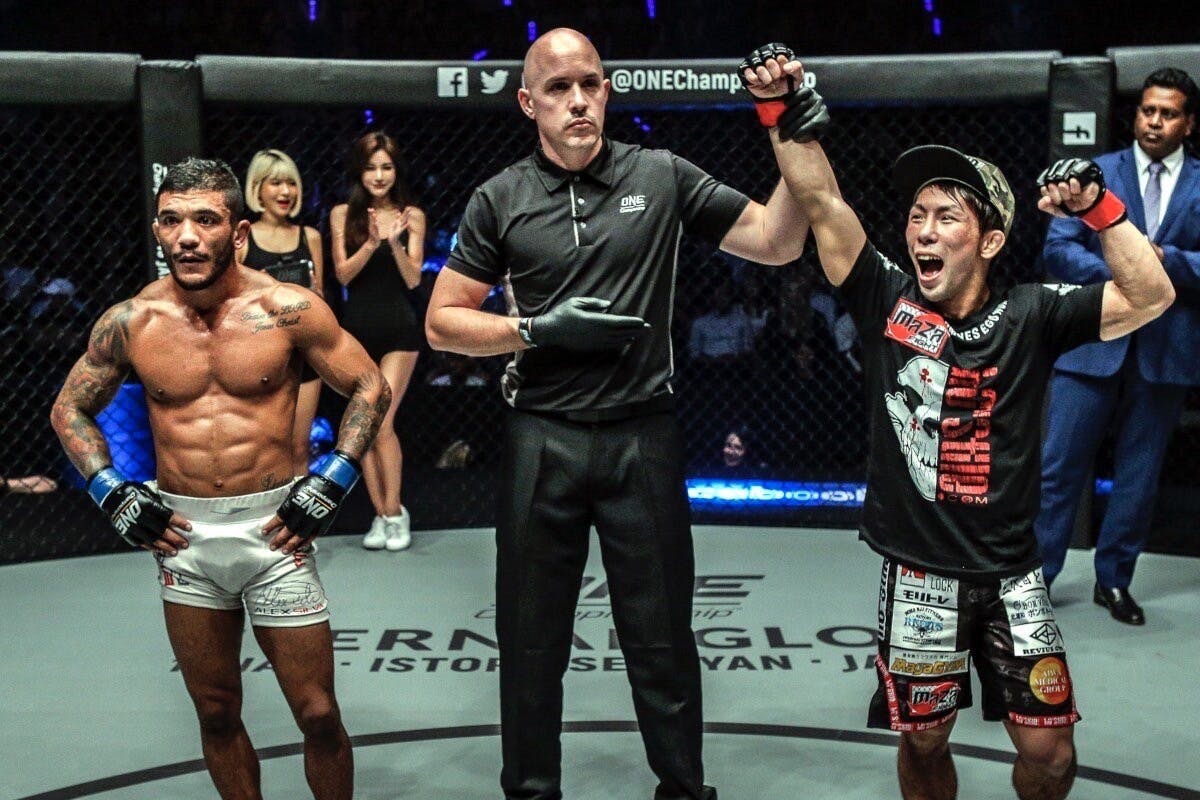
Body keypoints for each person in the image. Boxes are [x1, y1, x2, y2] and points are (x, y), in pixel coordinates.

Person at [740, 43, 1173, 800]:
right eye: (917, 216)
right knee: (923, 739)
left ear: (991, 240)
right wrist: (778, 108)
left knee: (1052, 753)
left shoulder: (1033, 312)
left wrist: (1099, 209)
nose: (924, 231)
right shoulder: (886, 297)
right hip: (919, 572)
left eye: (947, 216)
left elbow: (1150, 295)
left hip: (1012, 573)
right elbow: (822, 203)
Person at [426, 28, 808, 800]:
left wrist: (788, 128)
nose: (578, 100)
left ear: (607, 91)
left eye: (590, 84)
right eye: (559, 88)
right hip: (543, 435)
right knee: (531, 643)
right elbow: (441, 322)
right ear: (528, 102)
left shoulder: (659, 174)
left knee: (662, 640)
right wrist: (535, 329)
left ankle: (685, 791)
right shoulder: (500, 197)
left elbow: (777, 242)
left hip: (643, 434)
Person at [50, 158, 390, 800]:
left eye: (205, 220)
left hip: (276, 533)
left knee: (319, 714)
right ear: (157, 229)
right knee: (215, 712)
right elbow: (69, 407)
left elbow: (370, 385)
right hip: (184, 537)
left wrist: (334, 479)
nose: (186, 236)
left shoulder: (287, 308)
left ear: (237, 233)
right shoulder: (133, 321)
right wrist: (110, 490)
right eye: (172, 220)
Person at [1035, 67, 1200, 626]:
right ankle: (1036, 580)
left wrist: (1165, 260)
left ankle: (1114, 581)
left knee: (1139, 475)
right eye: (1148, 110)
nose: (1154, 121)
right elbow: (1058, 249)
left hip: (1167, 350)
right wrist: (1127, 272)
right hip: (1090, 343)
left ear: (1188, 123)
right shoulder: (1096, 172)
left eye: (1168, 113)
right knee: (1058, 468)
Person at [330, 132, 425, 552]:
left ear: (396, 170)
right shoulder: (342, 214)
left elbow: (414, 279)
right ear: (360, 171)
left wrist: (394, 242)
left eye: (386, 167)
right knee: (362, 427)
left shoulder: (412, 215)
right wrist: (371, 241)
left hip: (400, 330)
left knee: (381, 421)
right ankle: (381, 516)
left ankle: (395, 511)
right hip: (356, 331)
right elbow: (342, 275)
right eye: (371, 167)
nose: (379, 175)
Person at [238, 148, 326, 476]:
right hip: (259, 357)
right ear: (257, 188)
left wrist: (312, 294)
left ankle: (298, 511)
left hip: (304, 355)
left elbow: (321, 301)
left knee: (299, 447)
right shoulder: (242, 239)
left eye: (291, 183)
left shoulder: (310, 237)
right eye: (275, 183)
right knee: (264, 449)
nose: (285, 192)